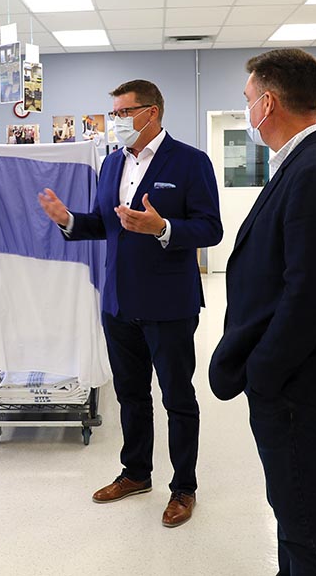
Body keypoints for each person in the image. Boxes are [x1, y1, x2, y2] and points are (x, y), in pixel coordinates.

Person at [38, 79, 222, 528]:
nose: (116, 122)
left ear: (151, 113)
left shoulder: (190, 162)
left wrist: (162, 228)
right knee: (130, 395)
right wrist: (68, 221)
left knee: (178, 398)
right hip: (118, 302)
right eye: (114, 114)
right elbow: (106, 225)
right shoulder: (111, 164)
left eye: (123, 113)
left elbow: (211, 229)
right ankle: (137, 473)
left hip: (169, 304)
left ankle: (183, 488)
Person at [209, 49, 316, 575]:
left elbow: (308, 296)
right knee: (291, 513)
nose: (247, 109)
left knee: (305, 526)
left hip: (297, 384)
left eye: (248, 99)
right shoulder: (301, 165)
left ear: (268, 102)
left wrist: (264, 374)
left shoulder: (315, 172)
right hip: (292, 380)